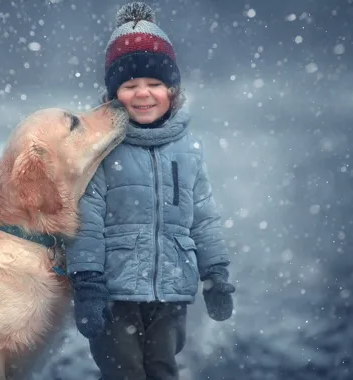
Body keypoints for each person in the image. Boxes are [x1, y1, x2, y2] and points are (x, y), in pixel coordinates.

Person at [65, 2, 236, 380]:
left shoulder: (188, 148)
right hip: (115, 291)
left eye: (155, 83)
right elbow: (85, 218)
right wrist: (88, 281)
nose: (143, 93)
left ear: (172, 90)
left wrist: (216, 273)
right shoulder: (102, 148)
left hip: (172, 290)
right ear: (114, 92)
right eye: (130, 84)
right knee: (125, 371)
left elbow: (203, 216)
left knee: (162, 369)